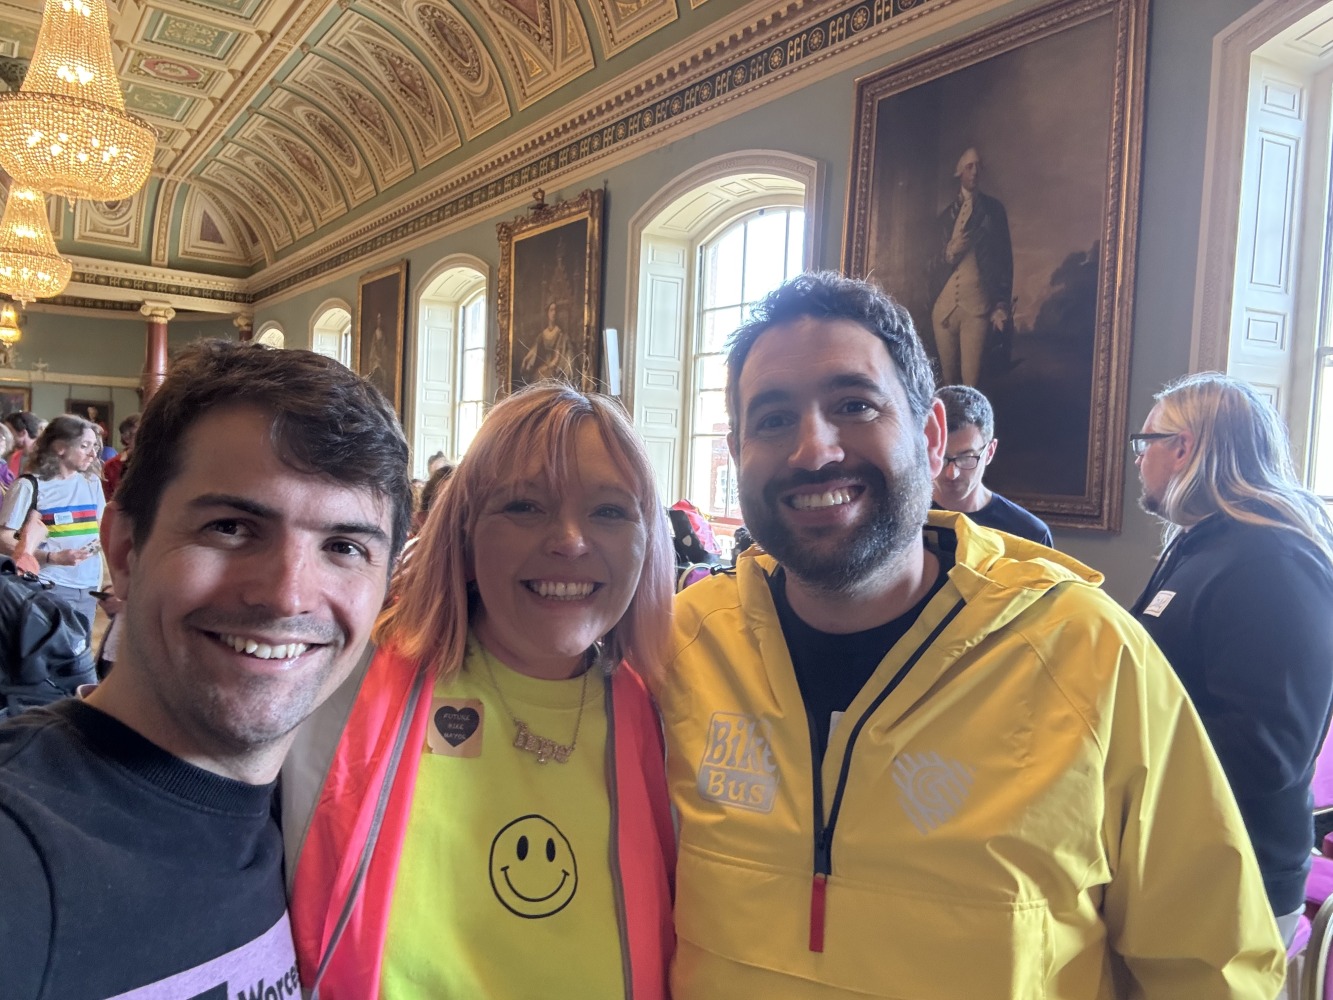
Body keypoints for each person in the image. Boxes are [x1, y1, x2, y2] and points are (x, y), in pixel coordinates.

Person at [654, 272, 1284, 998]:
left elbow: (1212, 968)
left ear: (929, 438)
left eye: (854, 405)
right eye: (771, 419)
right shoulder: (684, 643)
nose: (813, 450)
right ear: (738, 452)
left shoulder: (1087, 653)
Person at [0, 340, 412, 1000]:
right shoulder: (20, 845)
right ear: (124, 550)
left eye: (343, 546)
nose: (287, 595)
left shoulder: (325, 827)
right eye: (230, 527)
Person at [286, 383, 676, 999]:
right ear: (465, 538)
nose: (570, 540)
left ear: (647, 541)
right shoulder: (339, 684)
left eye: (609, 511)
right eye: (524, 506)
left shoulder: (671, 719)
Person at [1130, 372, 1333, 945]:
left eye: (1146, 442)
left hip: (1236, 875)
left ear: (1184, 448)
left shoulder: (1272, 559)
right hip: (1186, 860)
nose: (1139, 458)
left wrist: (1119, 733)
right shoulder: (1203, 543)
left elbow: (1267, 752)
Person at [0, 414, 105, 628]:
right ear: (60, 447)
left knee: (80, 647)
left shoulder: (92, 482)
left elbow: (101, 528)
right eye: (84, 446)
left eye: (94, 446)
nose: (93, 454)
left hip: (88, 586)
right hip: (48, 585)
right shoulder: (28, 486)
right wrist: (52, 557)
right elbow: (3, 539)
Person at [930, 147, 1013, 387]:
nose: (975, 172)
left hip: (977, 307)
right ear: (959, 172)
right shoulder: (945, 217)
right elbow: (929, 265)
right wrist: (949, 252)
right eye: (969, 166)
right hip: (944, 309)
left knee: (971, 386)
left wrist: (1000, 304)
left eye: (978, 166)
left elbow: (1004, 260)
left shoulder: (994, 211)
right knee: (947, 384)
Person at [931, 384, 1053, 546]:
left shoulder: (1030, 534)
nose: (951, 473)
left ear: (989, 452)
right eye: (941, 456)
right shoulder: (903, 516)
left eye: (966, 457)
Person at [522, 301, 575, 383]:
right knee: (535, 377)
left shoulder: (560, 334)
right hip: (544, 366)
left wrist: (546, 367)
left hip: (554, 368)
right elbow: (534, 349)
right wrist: (526, 359)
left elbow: (557, 358)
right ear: (547, 313)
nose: (554, 313)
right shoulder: (542, 334)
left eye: (556, 310)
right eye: (551, 310)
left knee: (544, 377)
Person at [101, 412, 139, 500]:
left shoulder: (158, 463)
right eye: (139, 434)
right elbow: (106, 500)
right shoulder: (111, 466)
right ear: (127, 438)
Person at [3, 410, 38, 479]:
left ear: (23, 433)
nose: (6, 436)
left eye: (9, 431)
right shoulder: (13, 457)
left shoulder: (43, 457)